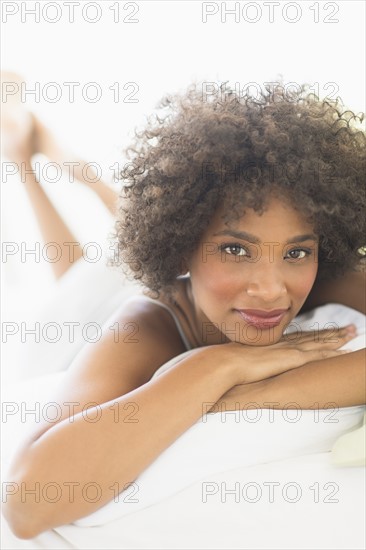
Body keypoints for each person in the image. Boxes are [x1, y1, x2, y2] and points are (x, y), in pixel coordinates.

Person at [3, 81, 365, 539]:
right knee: (80, 275)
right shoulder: (142, 328)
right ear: (181, 249)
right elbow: (27, 507)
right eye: (237, 250)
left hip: (185, 274)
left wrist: (239, 398)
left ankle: (81, 172)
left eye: (296, 253)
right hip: (82, 320)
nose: (272, 290)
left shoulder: (320, 274)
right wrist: (218, 364)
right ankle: (26, 162)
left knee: (119, 249)